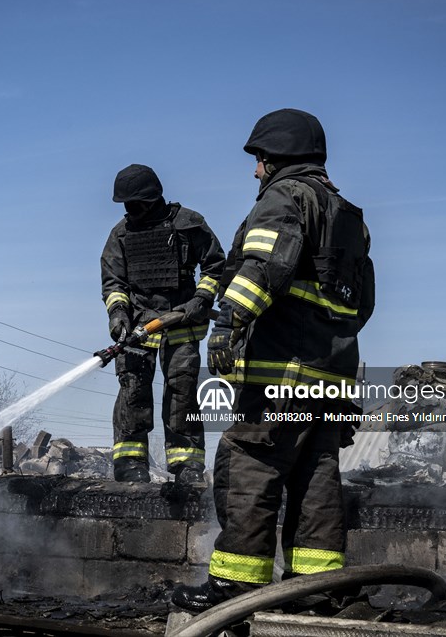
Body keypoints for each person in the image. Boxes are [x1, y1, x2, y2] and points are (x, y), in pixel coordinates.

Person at [172, 109, 375, 610]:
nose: (255, 171)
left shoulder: (286, 197)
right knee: (316, 475)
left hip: (279, 373)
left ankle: (237, 586)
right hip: (329, 377)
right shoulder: (348, 215)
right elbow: (362, 304)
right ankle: (316, 590)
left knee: (248, 464)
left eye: (259, 160)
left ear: (276, 158)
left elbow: (265, 265)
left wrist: (229, 322)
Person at [101, 164, 226, 484]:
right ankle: (130, 462)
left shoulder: (189, 224)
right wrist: (118, 315)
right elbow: (114, 283)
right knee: (132, 389)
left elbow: (216, 267)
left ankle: (187, 464)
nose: (130, 211)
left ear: (153, 198)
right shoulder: (121, 235)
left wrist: (201, 299)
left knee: (182, 391)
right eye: (126, 205)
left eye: (135, 204)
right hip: (137, 328)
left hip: (181, 323)